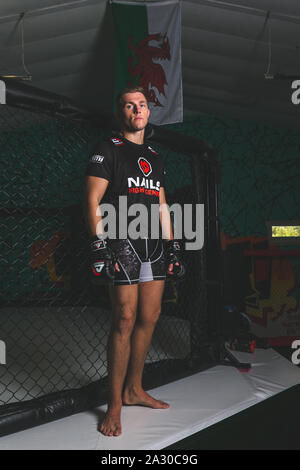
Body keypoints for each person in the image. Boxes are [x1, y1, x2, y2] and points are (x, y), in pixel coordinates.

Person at [84, 86, 185, 437]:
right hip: (121, 241)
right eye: (129, 105)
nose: (136, 110)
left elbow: (160, 205)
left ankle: (134, 389)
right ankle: (114, 405)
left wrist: (172, 246)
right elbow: (94, 199)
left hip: (153, 244)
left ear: (148, 112)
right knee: (124, 319)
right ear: (121, 113)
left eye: (141, 104)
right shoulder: (107, 149)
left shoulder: (155, 157)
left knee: (150, 316)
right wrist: (99, 245)